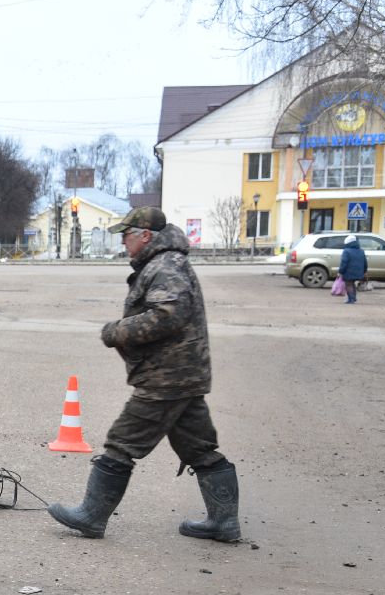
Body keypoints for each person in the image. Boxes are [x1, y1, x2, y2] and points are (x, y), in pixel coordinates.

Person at [49, 206, 241, 543]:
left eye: (127, 235)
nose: (123, 242)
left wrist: (118, 331)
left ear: (146, 236)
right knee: (199, 448)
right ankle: (223, 522)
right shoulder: (164, 262)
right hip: (181, 375)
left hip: (167, 377)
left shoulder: (165, 265)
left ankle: (92, 516)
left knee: (121, 442)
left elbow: (168, 315)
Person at [338, 234, 367, 304]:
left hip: (348, 271)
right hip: (359, 271)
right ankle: (353, 298)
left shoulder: (346, 251)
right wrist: (364, 271)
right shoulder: (361, 251)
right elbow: (365, 262)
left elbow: (344, 262)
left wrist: (340, 271)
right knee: (352, 284)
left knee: (348, 284)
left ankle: (351, 299)